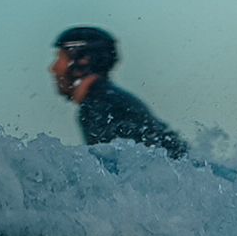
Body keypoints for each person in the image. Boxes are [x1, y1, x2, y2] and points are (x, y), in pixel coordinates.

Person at [50, 26, 186, 158]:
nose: (53, 67)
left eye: (59, 58)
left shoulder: (98, 105)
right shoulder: (113, 98)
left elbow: (114, 166)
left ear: (82, 61)